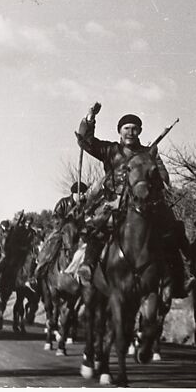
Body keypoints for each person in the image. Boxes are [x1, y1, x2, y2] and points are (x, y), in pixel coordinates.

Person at [75, 106, 188, 298]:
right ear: (119, 131)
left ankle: (180, 278)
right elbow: (86, 142)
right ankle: (88, 266)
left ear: (140, 131)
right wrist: (89, 118)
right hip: (113, 201)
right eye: (126, 128)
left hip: (142, 202)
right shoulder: (110, 150)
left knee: (171, 228)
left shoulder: (149, 152)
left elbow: (163, 177)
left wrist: (149, 177)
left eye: (134, 128)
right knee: (95, 227)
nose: (130, 132)